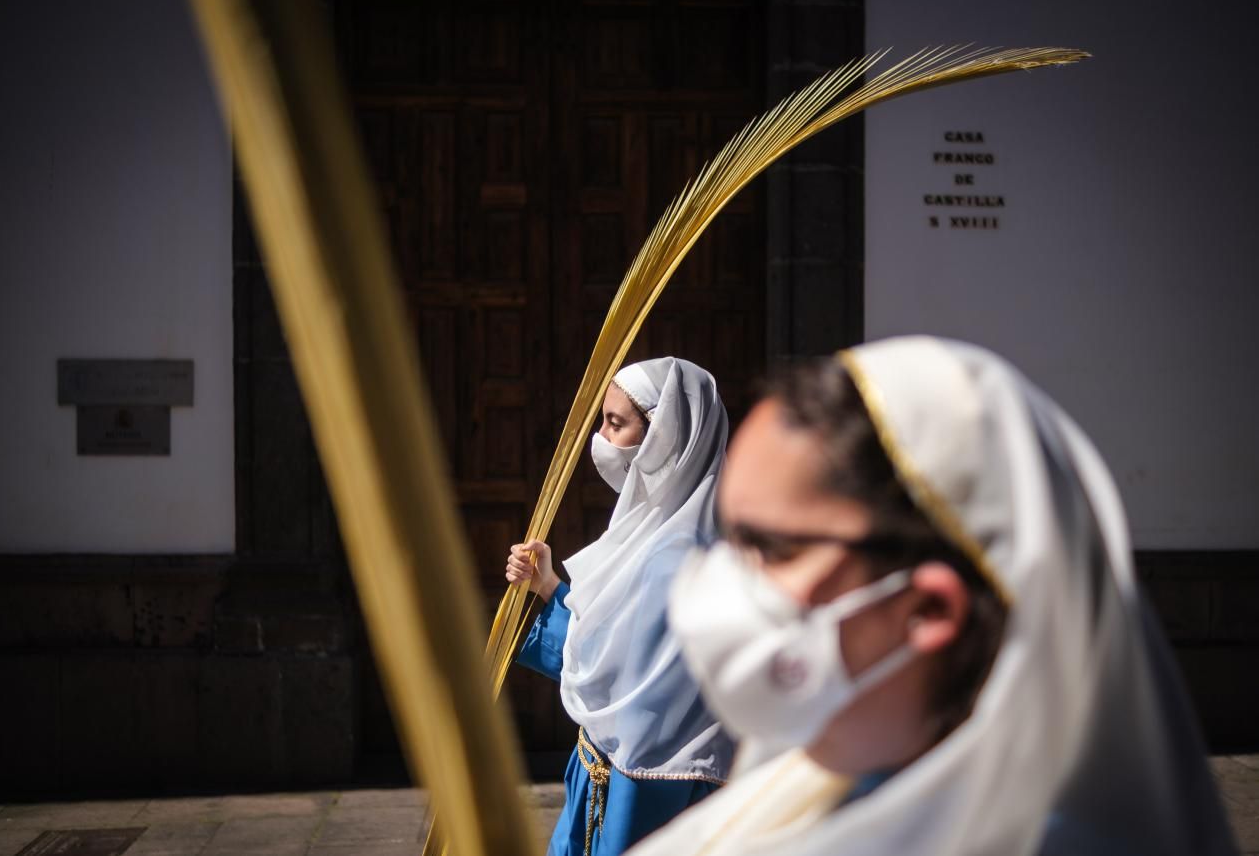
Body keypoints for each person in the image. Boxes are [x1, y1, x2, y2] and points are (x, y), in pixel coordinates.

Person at [627, 336, 1237, 856]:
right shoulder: (795, 790)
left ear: (930, 609)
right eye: (732, 542)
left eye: (772, 548)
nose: (724, 580)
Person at [507, 357, 734, 856]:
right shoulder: (653, 529)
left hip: (647, 792)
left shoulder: (681, 554)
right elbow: (619, 654)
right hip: (612, 771)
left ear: (665, 435)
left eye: (617, 423)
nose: (602, 441)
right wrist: (549, 587)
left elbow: (634, 694)